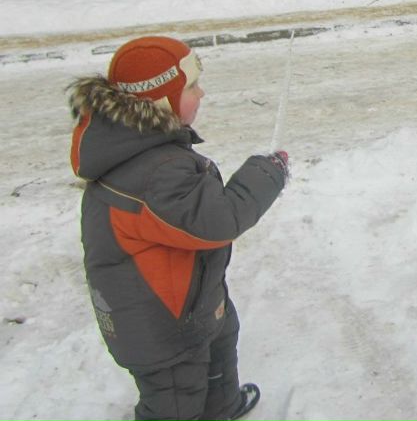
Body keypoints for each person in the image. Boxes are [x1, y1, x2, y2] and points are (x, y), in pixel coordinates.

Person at [69, 36, 290, 421]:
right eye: (191, 86)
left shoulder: (142, 147)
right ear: (159, 100)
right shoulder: (155, 172)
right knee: (175, 397)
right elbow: (218, 220)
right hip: (160, 324)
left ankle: (222, 407)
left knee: (221, 341)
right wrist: (267, 173)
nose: (201, 92)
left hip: (190, 298)